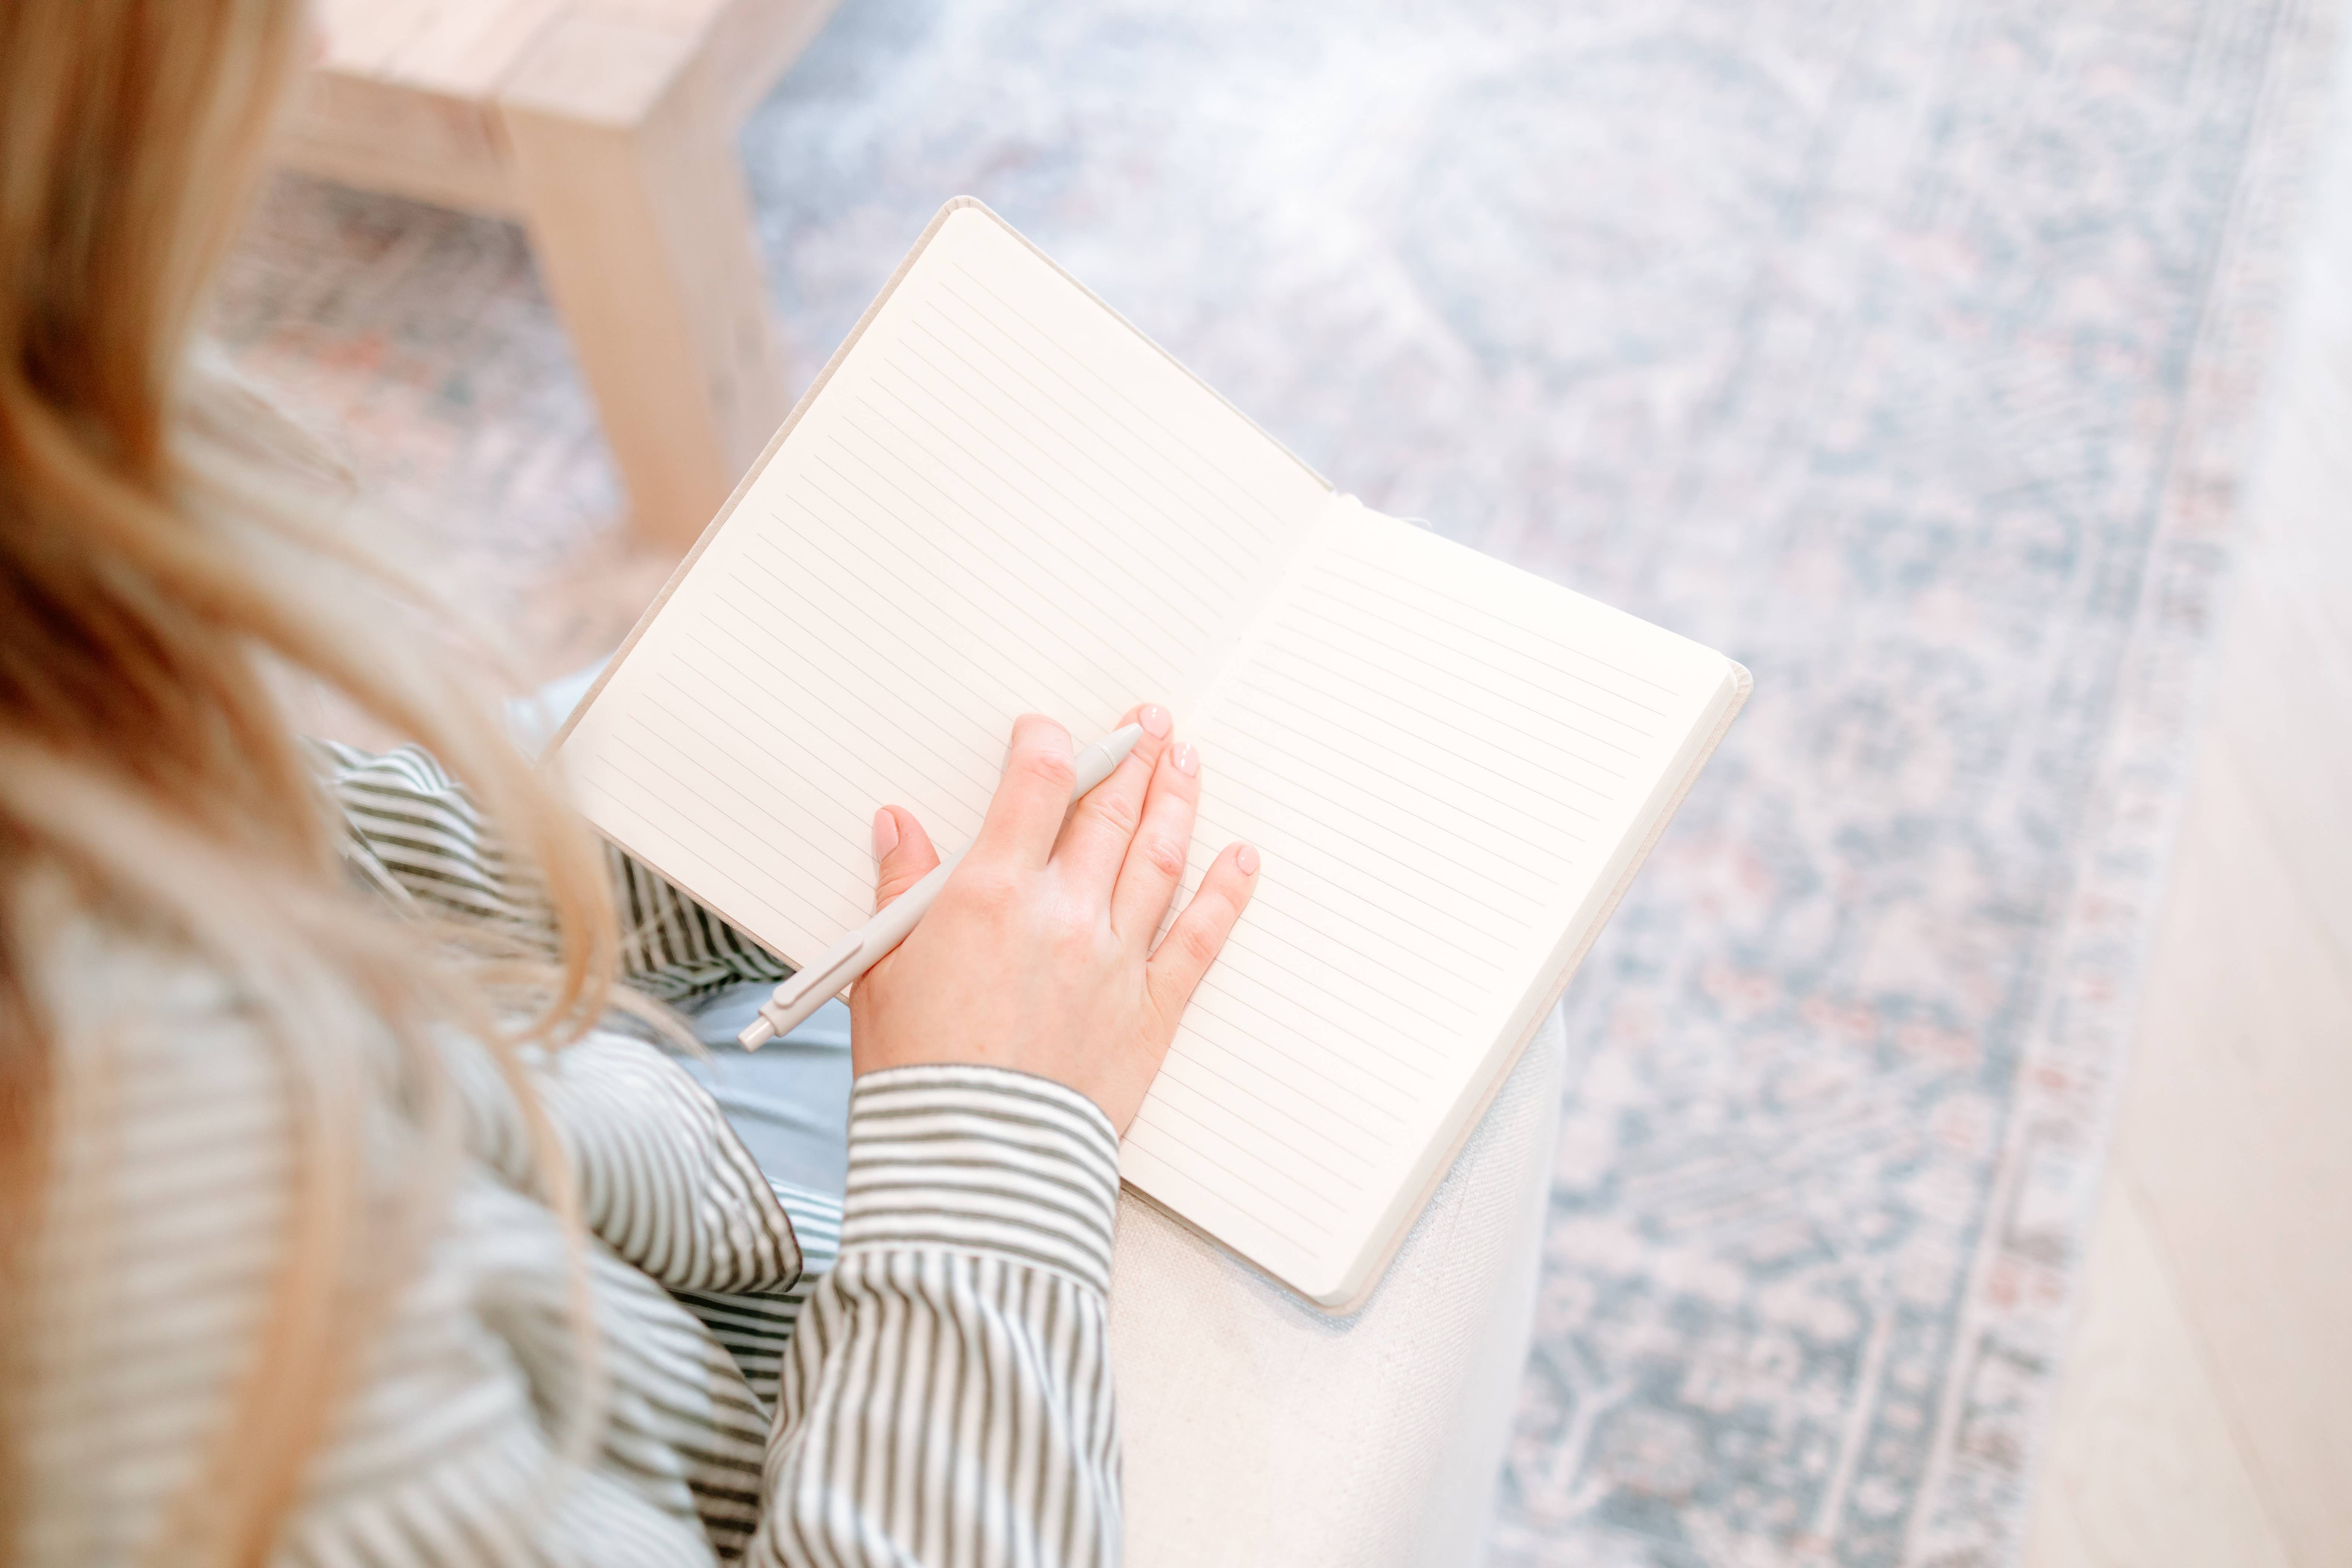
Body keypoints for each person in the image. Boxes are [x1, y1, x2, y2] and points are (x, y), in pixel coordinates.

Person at [0, 4, 1261, 1565]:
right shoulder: (169, 1243)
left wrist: (721, 835)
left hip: (618, 1211)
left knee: (653, 721)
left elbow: (353, 859)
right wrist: (991, 1123)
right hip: (769, 1437)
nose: (312, 45)